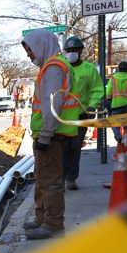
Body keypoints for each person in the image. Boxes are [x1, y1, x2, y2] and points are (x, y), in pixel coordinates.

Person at [21, 29, 79, 240]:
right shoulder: (52, 66)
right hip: (50, 135)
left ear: (42, 44)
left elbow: (52, 104)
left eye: (30, 49)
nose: (29, 54)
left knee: (50, 181)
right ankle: (42, 219)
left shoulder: (54, 67)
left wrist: (45, 135)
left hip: (52, 136)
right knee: (42, 179)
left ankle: (53, 224)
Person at [60, 36, 105, 190]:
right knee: (62, 148)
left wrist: (92, 107)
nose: (70, 53)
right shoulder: (62, 67)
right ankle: (60, 178)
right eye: (68, 50)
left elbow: (97, 89)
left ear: (80, 51)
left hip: (81, 115)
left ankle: (71, 178)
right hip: (63, 116)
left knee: (75, 147)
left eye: (73, 50)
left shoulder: (88, 69)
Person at [104, 61, 127, 144]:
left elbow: (108, 92)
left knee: (114, 123)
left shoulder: (112, 79)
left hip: (116, 105)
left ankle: (118, 137)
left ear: (118, 69)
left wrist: (108, 101)